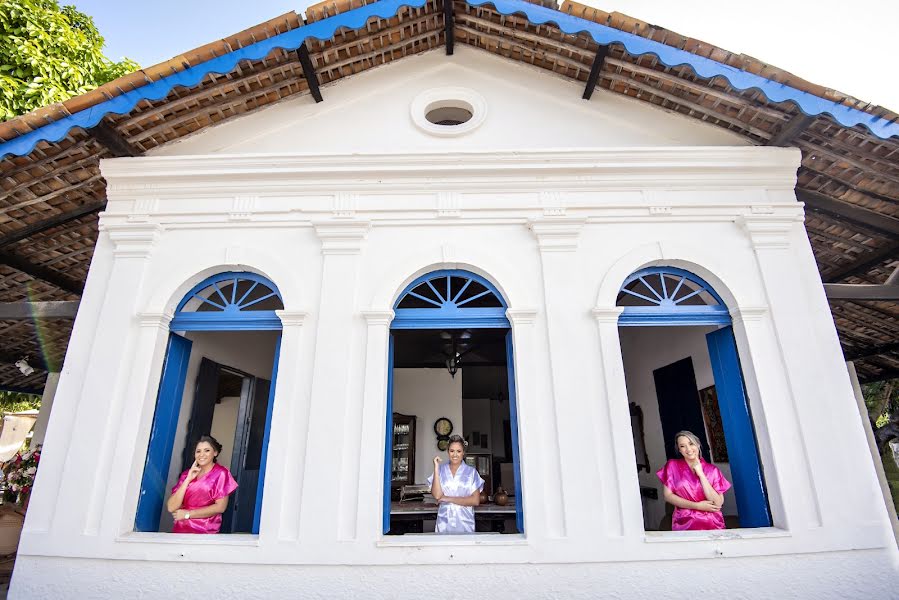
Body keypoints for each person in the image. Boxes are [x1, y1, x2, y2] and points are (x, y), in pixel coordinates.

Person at [656, 430, 731, 531]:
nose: (688, 449)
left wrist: (701, 475)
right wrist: (697, 506)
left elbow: (717, 504)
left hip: (712, 525)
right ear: (679, 450)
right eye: (682, 446)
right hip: (684, 523)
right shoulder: (672, 466)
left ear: (698, 445)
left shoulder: (713, 470)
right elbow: (668, 496)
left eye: (691, 444)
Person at [167, 435, 238, 534]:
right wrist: (188, 479)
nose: (202, 454)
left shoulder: (221, 473)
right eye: (198, 451)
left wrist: (187, 514)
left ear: (215, 453)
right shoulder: (186, 474)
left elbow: (220, 507)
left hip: (205, 531)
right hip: (181, 530)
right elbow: (171, 507)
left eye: (207, 450)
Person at [427, 434, 484, 534]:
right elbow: (437, 495)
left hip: (465, 522)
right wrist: (436, 467)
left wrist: (447, 498)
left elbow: (475, 501)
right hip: (444, 522)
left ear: (463, 453)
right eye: (452, 451)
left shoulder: (471, 472)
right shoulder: (440, 470)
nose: (455, 454)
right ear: (448, 452)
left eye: (459, 451)